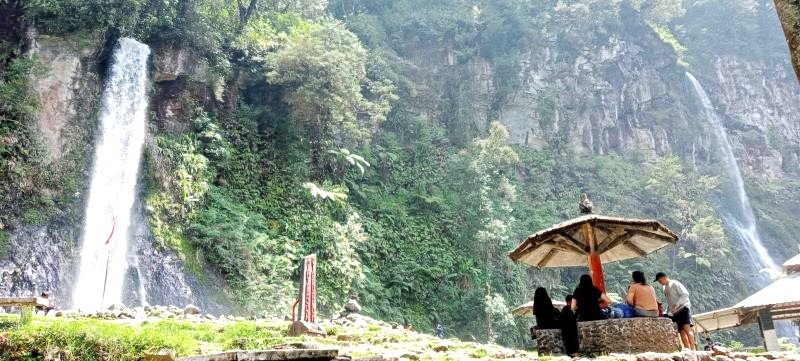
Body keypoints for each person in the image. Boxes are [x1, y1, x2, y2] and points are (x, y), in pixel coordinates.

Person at [655, 272, 696, 350]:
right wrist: (667, 312)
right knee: (681, 331)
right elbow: (670, 301)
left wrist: (677, 304)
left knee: (687, 328)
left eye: (660, 281)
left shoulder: (674, 283)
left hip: (683, 308)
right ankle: (687, 348)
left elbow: (685, 294)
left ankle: (693, 348)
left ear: (664, 277)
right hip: (675, 312)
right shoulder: (664, 288)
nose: (660, 283)